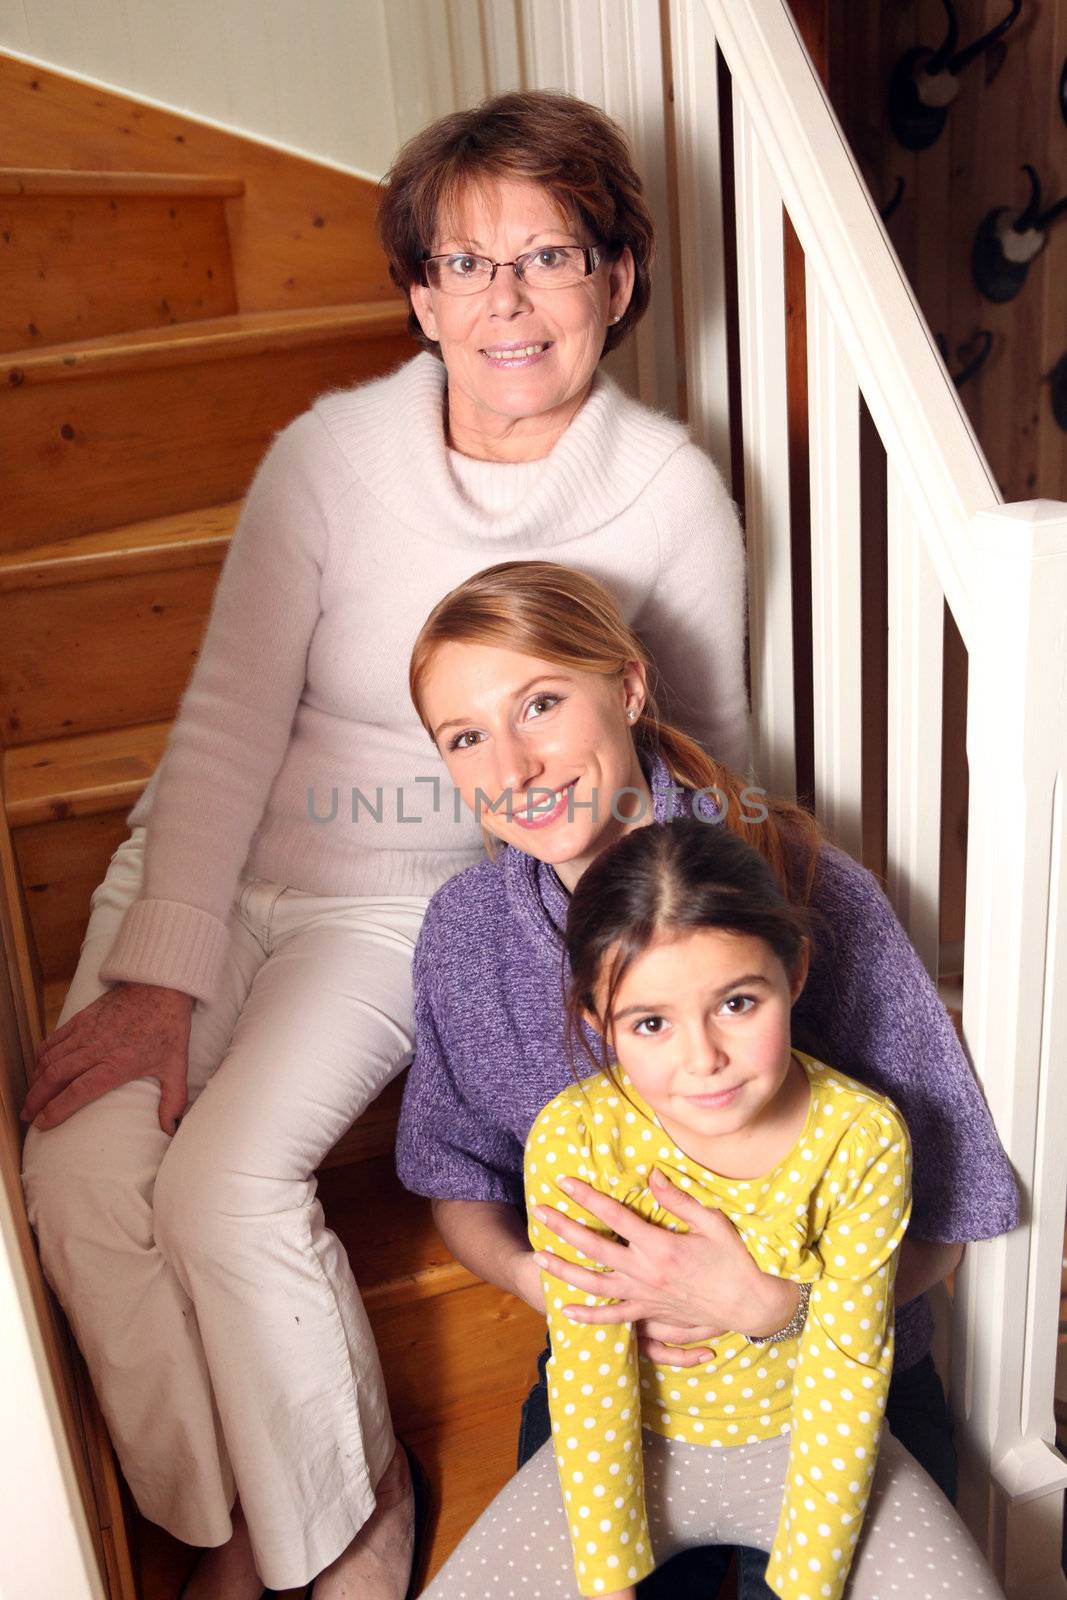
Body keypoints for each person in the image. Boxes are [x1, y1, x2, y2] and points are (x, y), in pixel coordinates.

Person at [19, 91, 747, 1600]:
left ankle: (349, 1514)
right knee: (80, 1179)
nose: (507, 302)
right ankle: (221, 1519)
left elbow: (700, 751)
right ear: (417, 294)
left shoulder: (667, 490)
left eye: (549, 255)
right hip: (207, 862)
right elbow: (224, 722)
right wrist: (162, 973)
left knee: (221, 1190)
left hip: (391, 906)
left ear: (615, 280)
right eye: (466, 264)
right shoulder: (328, 456)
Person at [397, 559, 1019, 1598]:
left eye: (539, 703)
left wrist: (774, 1304)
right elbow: (457, 1178)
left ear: (628, 688)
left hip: (835, 1377)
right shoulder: (465, 933)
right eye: (465, 737)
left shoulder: (810, 888)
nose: (511, 762)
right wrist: (548, 1285)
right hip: (613, 1397)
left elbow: (945, 1207)